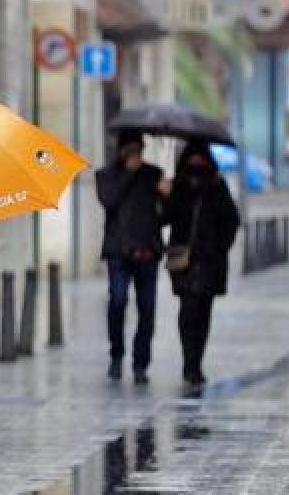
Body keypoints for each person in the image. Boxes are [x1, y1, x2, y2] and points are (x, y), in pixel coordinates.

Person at [164, 140, 240, 391]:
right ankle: (189, 362)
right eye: (192, 159)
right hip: (184, 260)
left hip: (209, 262)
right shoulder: (179, 187)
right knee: (188, 312)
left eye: (201, 159)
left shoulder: (218, 187)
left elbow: (231, 221)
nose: (196, 164)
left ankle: (196, 363)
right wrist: (167, 193)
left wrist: (219, 247)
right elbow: (166, 217)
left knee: (203, 313)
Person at [94, 129, 167, 384]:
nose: (137, 155)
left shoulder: (153, 175)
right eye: (132, 150)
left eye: (140, 150)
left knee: (147, 309)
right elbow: (109, 201)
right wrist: (128, 173)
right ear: (122, 151)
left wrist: (167, 194)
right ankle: (116, 355)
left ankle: (140, 363)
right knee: (117, 301)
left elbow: (165, 215)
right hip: (119, 253)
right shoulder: (106, 176)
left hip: (147, 252)